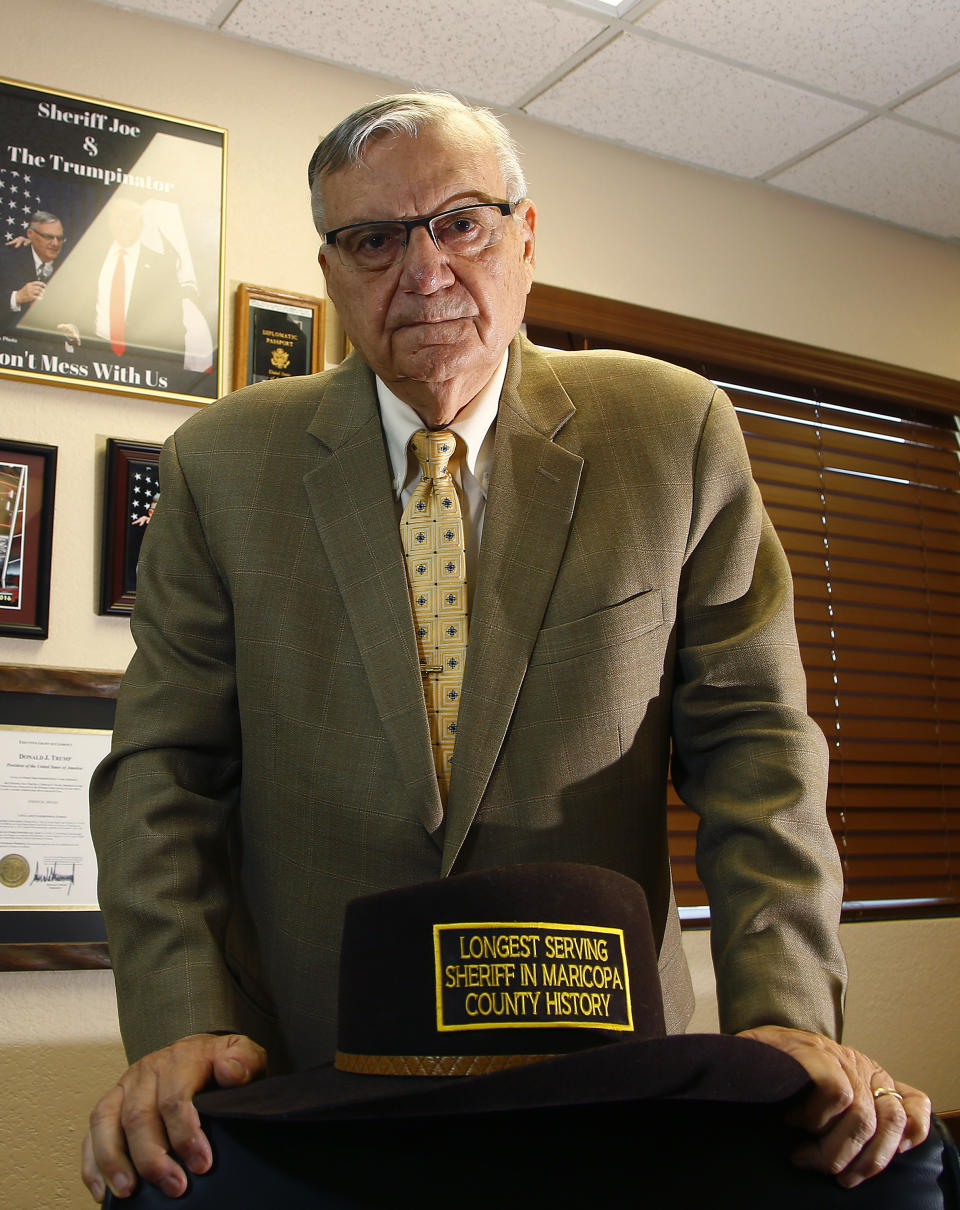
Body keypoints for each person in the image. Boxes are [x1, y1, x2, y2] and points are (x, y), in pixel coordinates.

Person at [84, 92, 931, 1204]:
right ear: (333, 271)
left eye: (462, 223)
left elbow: (758, 752)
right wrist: (184, 1018)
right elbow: (163, 775)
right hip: (317, 1083)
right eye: (374, 239)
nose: (424, 271)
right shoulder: (221, 466)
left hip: (617, 1074)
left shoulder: (673, 432)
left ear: (527, 238)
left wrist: (783, 1015)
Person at [0, 211, 66, 330]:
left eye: (60, 238)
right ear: (30, 234)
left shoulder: (68, 261)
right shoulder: (7, 259)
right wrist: (17, 297)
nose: (55, 243)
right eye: (48, 237)